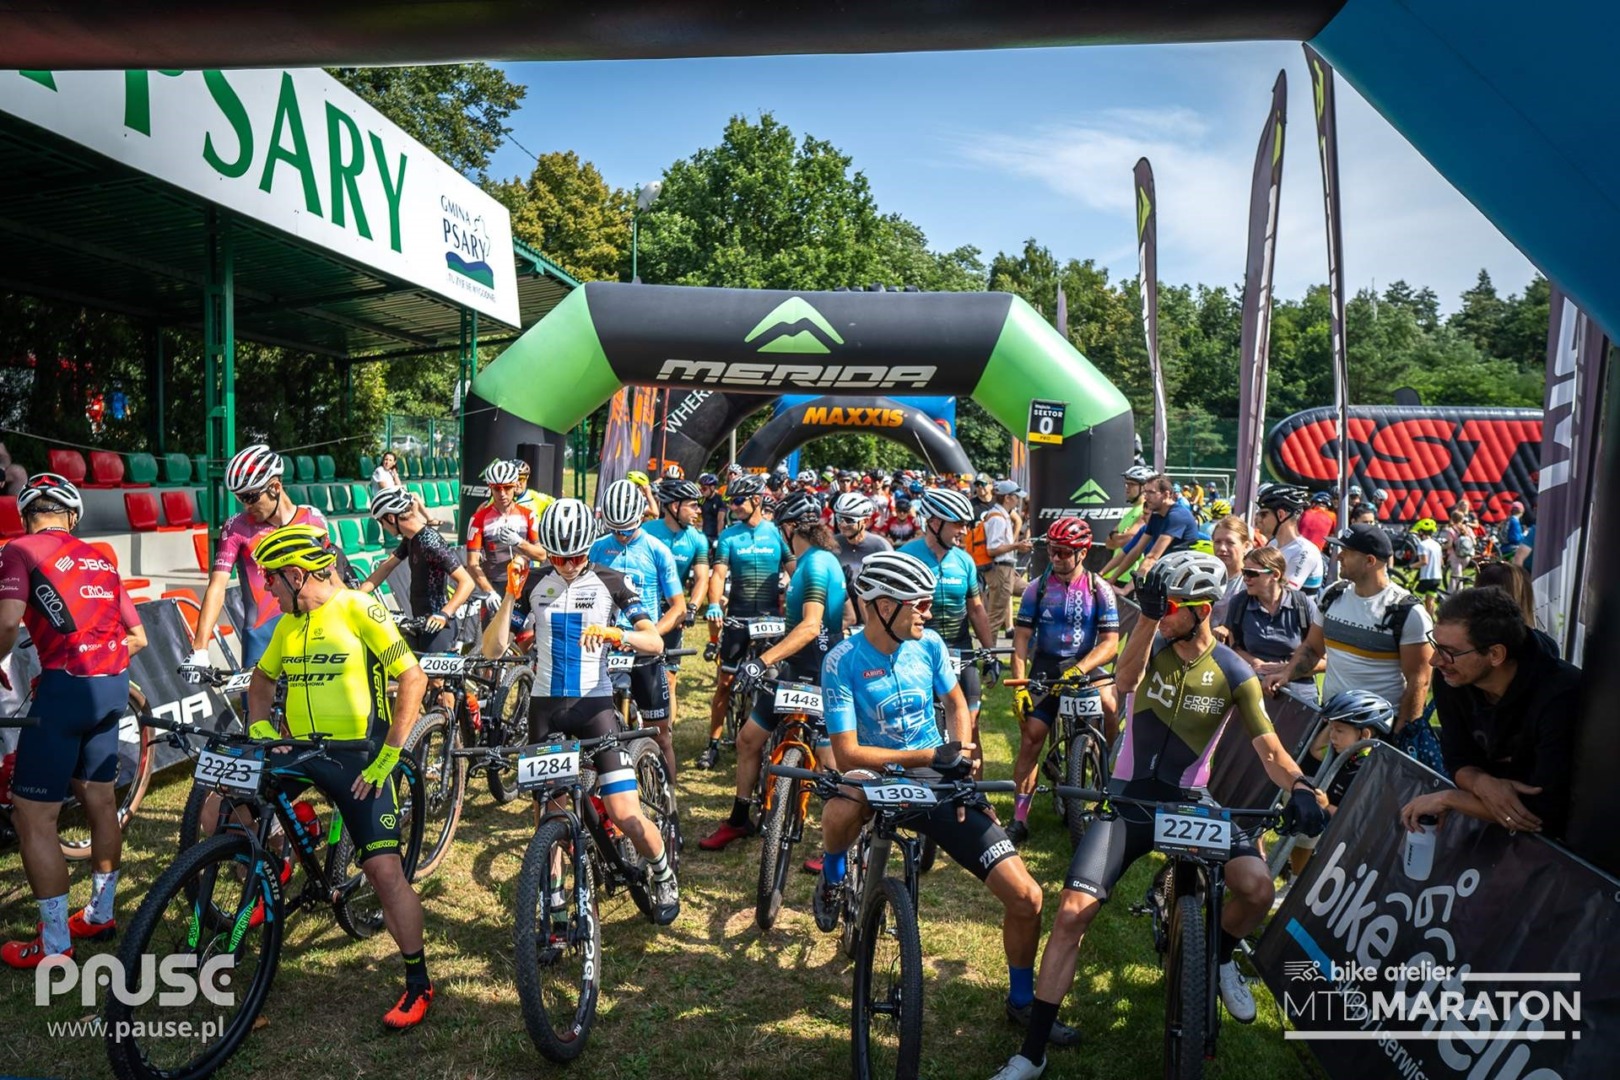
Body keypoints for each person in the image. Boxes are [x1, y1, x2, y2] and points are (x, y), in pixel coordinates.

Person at [991, 552, 1326, 1080]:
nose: (1160, 610)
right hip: (1129, 800)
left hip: (1189, 801)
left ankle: (1218, 955)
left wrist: (1303, 785)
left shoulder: (1235, 672)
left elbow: (1269, 749)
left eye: (1168, 604)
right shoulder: (1154, 646)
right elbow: (1123, 681)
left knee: (1258, 888)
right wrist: (1147, 617)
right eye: (1158, 602)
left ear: (1201, 609)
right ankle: (1032, 1052)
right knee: (1072, 912)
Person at [812, 552, 1070, 1046]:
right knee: (841, 804)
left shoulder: (928, 644)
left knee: (1027, 896)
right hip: (874, 768)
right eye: (921, 604)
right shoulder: (841, 660)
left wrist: (964, 754)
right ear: (884, 605)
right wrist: (929, 752)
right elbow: (845, 754)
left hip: (935, 774)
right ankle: (831, 874)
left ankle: (1020, 1001)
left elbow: (954, 703)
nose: (929, 614)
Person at [243, 525, 436, 1025]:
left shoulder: (358, 607)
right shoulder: (288, 624)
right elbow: (261, 680)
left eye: (270, 580)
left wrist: (389, 757)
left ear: (295, 574)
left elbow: (412, 679)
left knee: (383, 873)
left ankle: (417, 981)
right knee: (228, 805)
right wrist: (263, 728)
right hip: (303, 750)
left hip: (360, 757)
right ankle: (279, 856)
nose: (266, 588)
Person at [481, 499, 680, 924]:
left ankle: (662, 871)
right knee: (548, 819)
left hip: (595, 708)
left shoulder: (613, 581)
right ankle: (552, 905)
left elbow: (655, 643)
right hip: (545, 710)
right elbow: (493, 649)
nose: (567, 565)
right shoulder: (534, 582)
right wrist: (510, 597)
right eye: (557, 557)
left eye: (574, 557)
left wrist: (615, 633)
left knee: (625, 812)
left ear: (589, 548)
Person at [0, 475, 147, 968]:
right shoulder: (100, 556)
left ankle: (56, 945)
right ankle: (101, 913)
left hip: (65, 687)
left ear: (28, 515)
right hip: (110, 685)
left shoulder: (20, 549)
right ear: (72, 515)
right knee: (101, 801)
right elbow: (140, 637)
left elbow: (7, 621)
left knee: (33, 816)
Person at [700, 493, 847, 851]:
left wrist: (762, 661)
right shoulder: (819, 560)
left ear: (790, 527)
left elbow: (811, 627)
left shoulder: (813, 564)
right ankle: (739, 819)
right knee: (748, 739)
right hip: (801, 666)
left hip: (816, 670)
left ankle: (837, 847)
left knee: (830, 761)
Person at [1399, 587, 1581, 841]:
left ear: (1496, 654)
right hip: (1488, 835)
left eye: (1449, 651)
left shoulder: (1561, 694)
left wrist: (1450, 798)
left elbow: (1541, 812)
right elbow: (1457, 759)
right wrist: (1481, 784)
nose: (1435, 661)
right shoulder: (1452, 677)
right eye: (1435, 645)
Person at [1007, 517, 1120, 846]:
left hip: (1086, 664)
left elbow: (1110, 643)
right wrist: (1019, 684)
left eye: (1063, 552)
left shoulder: (1100, 589)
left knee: (1111, 705)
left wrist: (1082, 668)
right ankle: (1019, 819)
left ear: (1082, 553)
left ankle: (1103, 763)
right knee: (1032, 740)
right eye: (1052, 551)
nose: (1055, 557)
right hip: (1047, 666)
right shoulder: (1036, 588)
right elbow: (1022, 641)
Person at [1266, 525, 1433, 739]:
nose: (1338, 557)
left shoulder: (1408, 612)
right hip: (1330, 721)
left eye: (1347, 552)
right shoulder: (1332, 594)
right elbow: (1312, 648)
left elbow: (1419, 682)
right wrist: (1286, 674)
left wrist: (1401, 736)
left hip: (1377, 732)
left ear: (1370, 561)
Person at [182, 445, 327, 683]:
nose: (245, 505)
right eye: (240, 498)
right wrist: (200, 649)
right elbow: (217, 587)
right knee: (258, 716)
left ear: (275, 487)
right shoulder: (237, 526)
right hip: (261, 636)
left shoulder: (312, 519)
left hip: (311, 629)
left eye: (250, 497)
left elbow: (328, 579)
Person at [900, 488, 1002, 776]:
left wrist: (991, 653)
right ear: (934, 522)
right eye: (958, 524)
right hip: (920, 650)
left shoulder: (965, 560)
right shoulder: (908, 556)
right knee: (922, 722)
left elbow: (977, 609)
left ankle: (974, 794)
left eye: (966, 524)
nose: (964, 531)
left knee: (971, 724)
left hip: (961, 646)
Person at [591, 479, 687, 779]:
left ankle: (669, 808)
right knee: (596, 735)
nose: (620, 536)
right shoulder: (597, 549)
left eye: (626, 529)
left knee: (661, 736)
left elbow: (678, 606)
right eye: (614, 529)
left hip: (643, 649)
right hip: (608, 645)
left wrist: (652, 635)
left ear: (641, 517)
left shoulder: (657, 550)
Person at [697, 473, 789, 769]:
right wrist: (713, 604)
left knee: (774, 679)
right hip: (737, 615)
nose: (733, 507)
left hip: (770, 617)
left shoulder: (775, 533)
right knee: (724, 682)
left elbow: (794, 566)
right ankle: (712, 744)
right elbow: (719, 573)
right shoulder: (729, 535)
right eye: (730, 502)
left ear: (757, 500)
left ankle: (772, 740)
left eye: (738, 501)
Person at [1288, 690, 1394, 879]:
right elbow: (1316, 750)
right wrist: (1333, 720)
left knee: (1310, 814)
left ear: (1365, 734)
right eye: (1331, 729)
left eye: (1339, 730)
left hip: (1351, 852)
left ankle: (1296, 882)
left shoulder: (1369, 771)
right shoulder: (1345, 754)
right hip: (1330, 837)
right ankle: (1294, 880)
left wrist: (1326, 806)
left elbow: (1358, 821)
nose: (1332, 737)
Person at [644, 477, 712, 774]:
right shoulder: (647, 531)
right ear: (673, 506)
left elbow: (701, 578)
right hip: (643, 613)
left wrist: (693, 607)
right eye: (693, 505)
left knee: (668, 679)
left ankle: (664, 735)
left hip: (674, 613)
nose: (698, 511)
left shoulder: (696, 539)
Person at [359, 487, 475, 655]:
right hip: (420, 620)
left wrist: (444, 614)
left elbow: (467, 582)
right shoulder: (411, 538)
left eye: (380, 521)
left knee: (436, 681)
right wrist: (355, 596)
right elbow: (386, 567)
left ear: (391, 518)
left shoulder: (430, 542)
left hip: (439, 623)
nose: (382, 527)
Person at [1219, 546, 1320, 700]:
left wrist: (1287, 668)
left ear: (1275, 574)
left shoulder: (1302, 604)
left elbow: (1325, 661)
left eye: (1252, 573)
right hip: (1253, 687)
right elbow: (1235, 648)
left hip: (1298, 695)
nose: (1245, 578)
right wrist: (1256, 663)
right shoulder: (1239, 603)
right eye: (1244, 572)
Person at [465, 458, 545, 607]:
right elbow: (472, 564)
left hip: (525, 583)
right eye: (497, 488)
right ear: (490, 488)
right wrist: (488, 591)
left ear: (515, 486)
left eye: (507, 488)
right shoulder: (478, 518)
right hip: (495, 586)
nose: (502, 493)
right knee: (493, 630)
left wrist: (519, 542)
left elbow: (541, 555)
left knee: (527, 631)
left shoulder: (528, 515)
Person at [1097, 473, 1198, 581]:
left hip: (1182, 578)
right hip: (1165, 575)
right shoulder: (1156, 516)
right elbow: (1135, 551)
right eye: (1145, 492)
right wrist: (1111, 580)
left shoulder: (1176, 516)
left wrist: (1130, 588)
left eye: (1151, 492)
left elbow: (1152, 557)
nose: (1145, 496)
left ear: (1166, 494)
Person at [830, 491, 892, 622]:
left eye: (849, 520)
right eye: (839, 518)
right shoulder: (832, 544)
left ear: (866, 521)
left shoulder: (880, 546)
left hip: (872, 612)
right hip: (841, 611)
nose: (842, 524)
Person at [1253, 484, 1323, 597]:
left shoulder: (1305, 551)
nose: (1257, 520)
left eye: (1263, 514)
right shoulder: (1273, 544)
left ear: (1281, 515)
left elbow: (1283, 595)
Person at [982, 480, 1033, 634]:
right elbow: (992, 549)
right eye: (1016, 497)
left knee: (1034, 591)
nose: (1018, 500)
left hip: (1006, 568)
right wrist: (1016, 546)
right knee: (996, 617)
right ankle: (988, 654)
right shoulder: (997, 518)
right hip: (1000, 570)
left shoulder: (1002, 515)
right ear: (1007, 498)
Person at [1100, 467, 1153, 591]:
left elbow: (1129, 539)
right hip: (1117, 575)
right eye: (1126, 483)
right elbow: (1109, 543)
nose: (1127, 487)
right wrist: (1117, 537)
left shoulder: (1145, 512)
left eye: (1132, 484)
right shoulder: (1130, 513)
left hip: (1132, 578)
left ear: (1144, 487)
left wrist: (1117, 536)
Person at [1208, 514, 1252, 625]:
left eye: (1230, 543)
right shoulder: (1206, 577)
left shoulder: (1252, 580)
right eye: (1217, 542)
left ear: (1246, 546)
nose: (1222, 548)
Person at [1410, 517, 1445, 611]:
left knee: (1416, 600)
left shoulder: (1422, 545)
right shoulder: (1437, 544)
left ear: (1421, 532)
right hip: (1437, 578)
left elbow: (1424, 561)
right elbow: (1441, 562)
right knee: (1430, 602)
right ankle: (1430, 621)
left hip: (1427, 578)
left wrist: (1410, 566)